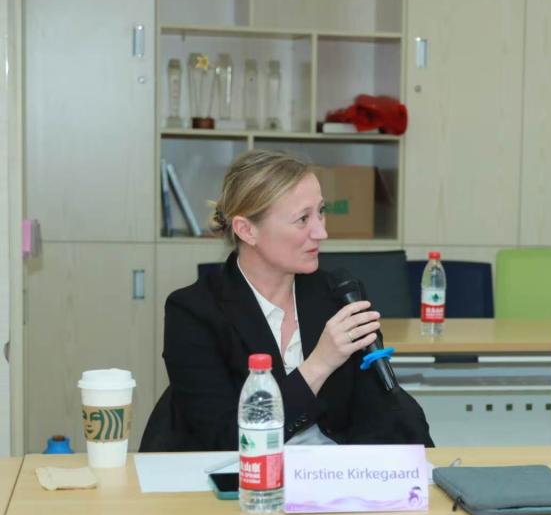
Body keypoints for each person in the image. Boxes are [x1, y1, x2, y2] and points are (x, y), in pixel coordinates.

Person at [145, 149, 432, 451]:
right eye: (302, 219)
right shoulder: (193, 312)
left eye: (321, 212)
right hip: (244, 472)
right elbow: (225, 437)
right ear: (247, 230)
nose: (321, 232)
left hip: (329, 469)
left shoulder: (338, 294)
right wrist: (319, 363)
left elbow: (381, 410)